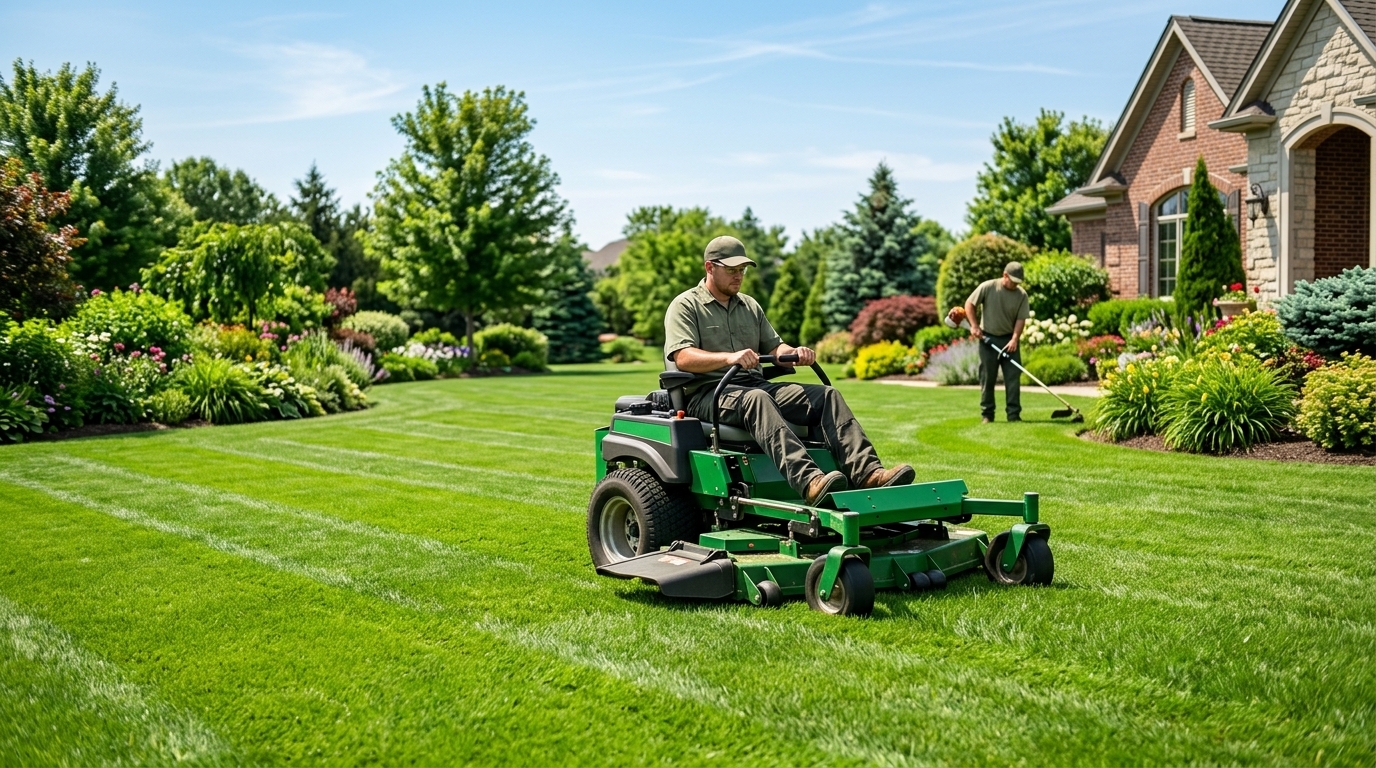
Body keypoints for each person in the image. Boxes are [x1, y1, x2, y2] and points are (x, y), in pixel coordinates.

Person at [663, 235, 914, 506]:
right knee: (758, 400)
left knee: (826, 395)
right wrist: (729, 358)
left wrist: (795, 354)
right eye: (732, 270)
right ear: (710, 267)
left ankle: (868, 473)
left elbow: (776, 347)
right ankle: (810, 482)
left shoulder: (749, 306)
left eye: (742, 270)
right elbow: (683, 356)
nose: (739, 277)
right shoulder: (685, 305)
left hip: (753, 385)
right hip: (709, 393)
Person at [964, 262, 1030, 423]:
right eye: (1013, 281)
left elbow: (1021, 319)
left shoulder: (1021, 295)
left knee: (1013, 377)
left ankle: (1013, 415)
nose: (1015, 285)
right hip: (988, 340)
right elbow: (969, 304)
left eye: (1018, 282)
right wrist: (974, 326)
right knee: (987, 377)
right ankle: (987, 414)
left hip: (1010, 342)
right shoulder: (988, 287)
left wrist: (1015, 339)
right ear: (1004, 275)